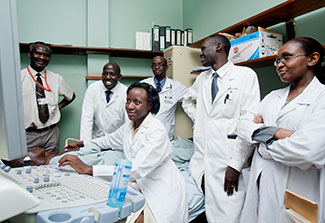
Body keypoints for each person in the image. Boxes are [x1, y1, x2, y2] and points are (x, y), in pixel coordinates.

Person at [59, 82, 188, 223]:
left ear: (149, 105)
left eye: (137, 102)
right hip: (136, 185)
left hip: (160, 188)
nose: (130, 106)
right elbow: (108, 140)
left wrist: (89, 169)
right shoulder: (129, 126)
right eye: (128, 101)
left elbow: (137, 169)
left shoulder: (157, 130)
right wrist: (83, 143)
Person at [237, 37, 325, 222]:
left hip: (299, 191)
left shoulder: (321, 98)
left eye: (287, 57)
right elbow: (243, 125)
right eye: (277, 60)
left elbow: (308, 150)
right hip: (263, 185)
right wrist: (277, 133)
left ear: (312, 59)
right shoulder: (273, 96)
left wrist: (261, 144)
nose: (279, 64)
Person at [182, 34, 260, 222]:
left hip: (229, 159)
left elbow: (249, 121)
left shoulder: (245, 75)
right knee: (209, 211)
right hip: (203, 161)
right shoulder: (202, 78)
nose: (200, 54)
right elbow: (187, 101)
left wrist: (236, 164)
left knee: (230, 214)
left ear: (218, 47)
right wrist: (200, 120)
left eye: (203, 49)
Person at [21, 41, 75, 153]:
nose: (42, 57)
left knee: (51, 166)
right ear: (30, 54)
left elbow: (71, 96)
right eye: (38, 53)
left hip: (51, 134)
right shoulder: (18, 77)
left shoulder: (56, 78)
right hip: (27, 135)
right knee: (25, 166)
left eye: (46, 55)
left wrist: (58, 107)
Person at [142, 56, 188, 140]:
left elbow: (192, 97)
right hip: (145, 134)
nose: (156, 67)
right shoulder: (143, 84)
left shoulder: (176, 86)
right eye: (154, 65)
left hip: (165, 136)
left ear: (166, 67)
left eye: (160, 64)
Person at [80, 62, 127, 141]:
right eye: (105, 74)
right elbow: (87, 118)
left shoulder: (126, 92)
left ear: (119, 77)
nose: (108, 77)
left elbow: (128, 122)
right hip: (96, 139)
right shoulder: (93, 89)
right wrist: (85, 144)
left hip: (116, 141)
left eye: (112, 74)